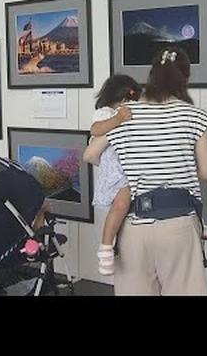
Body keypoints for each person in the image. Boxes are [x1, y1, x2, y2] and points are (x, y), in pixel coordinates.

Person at [105, 48, 207, 296]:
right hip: (179, 224)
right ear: (186, 78)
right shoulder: (195, 115)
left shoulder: (124, 115)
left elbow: (97, 157)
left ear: (151, 76)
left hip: (133, 224)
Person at [82, 74, 141, 276]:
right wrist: (118, 119)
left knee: (121, 209)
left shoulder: (130, 115)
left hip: (127, 166)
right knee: (121, 206)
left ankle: (110, 244)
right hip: (116, 170)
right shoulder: (104, 113)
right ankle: (105, 247)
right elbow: (95, 130)